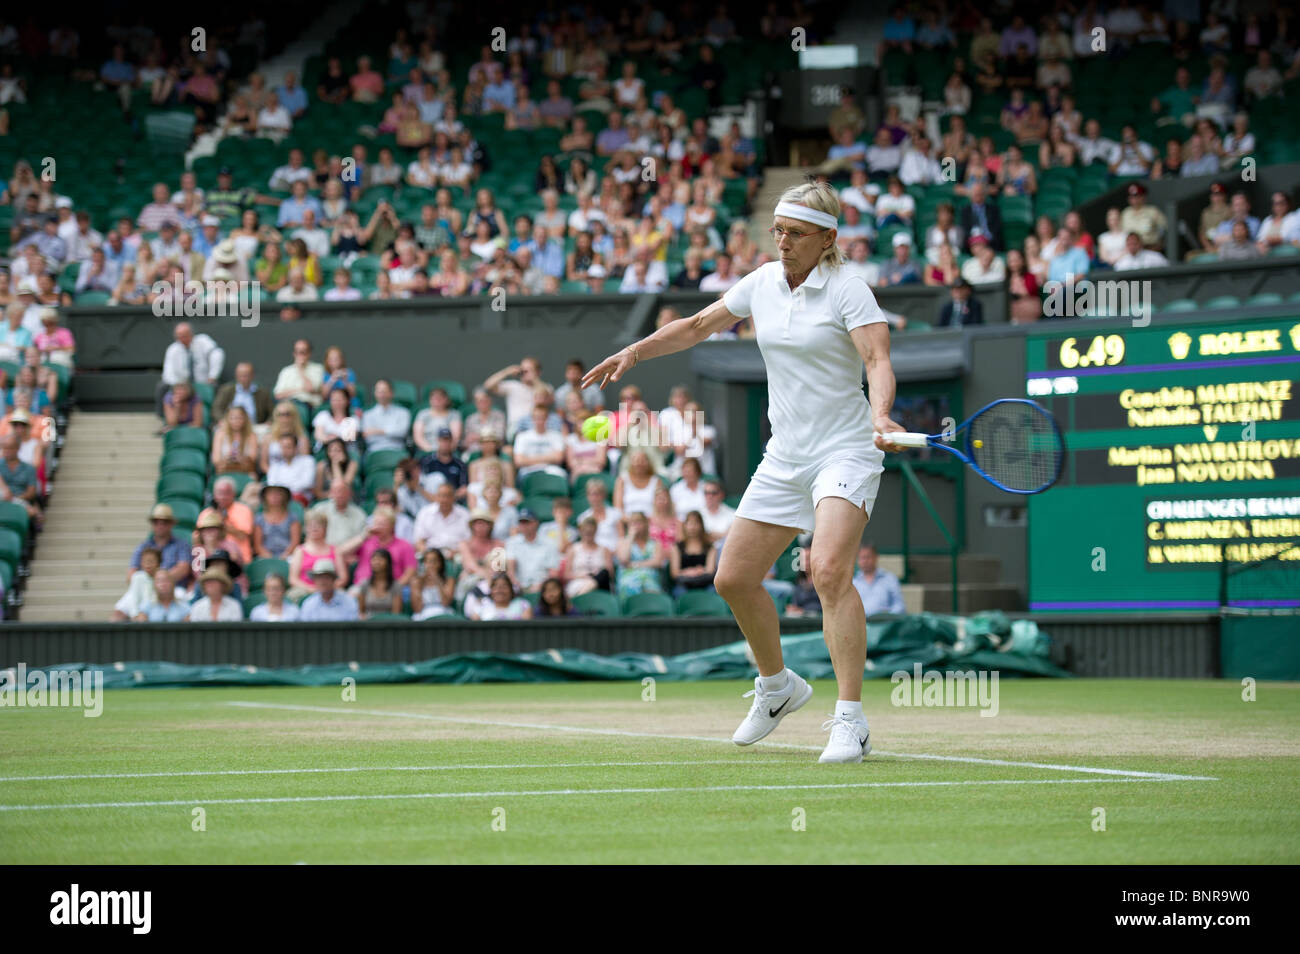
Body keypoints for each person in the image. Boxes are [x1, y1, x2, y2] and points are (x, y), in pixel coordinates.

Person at [583, 180, 906, 763]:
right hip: (785, 454)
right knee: (732, 579)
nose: (782, 241)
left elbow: (877, 358)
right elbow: (699, 325)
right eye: (778, 230)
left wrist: (881, 413)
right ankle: (779, 688)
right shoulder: (761, 281)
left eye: (796, 234)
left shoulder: (849, 289)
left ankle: (850, 719)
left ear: (827, 238)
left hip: (846, 450)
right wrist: (637, 350)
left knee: (827, 569)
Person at [851, 543, 904, 616]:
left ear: (876, 557)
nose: (865, 561)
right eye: (862, 558)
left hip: (886, 624)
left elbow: (899, 607)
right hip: (860, 625)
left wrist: (888, 616)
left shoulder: (890, 579)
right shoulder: (853, 583)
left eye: (868, 557)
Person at [410, 548, 456, 619]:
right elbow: (417, 609)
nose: (430, 565)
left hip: (443, 614)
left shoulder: (449, 580)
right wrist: (420, 584)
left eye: (433, 562)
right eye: (426, 562)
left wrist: (437, 581)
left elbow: (446, 603)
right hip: (423, 615)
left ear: (440, 563)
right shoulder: (417, 581)